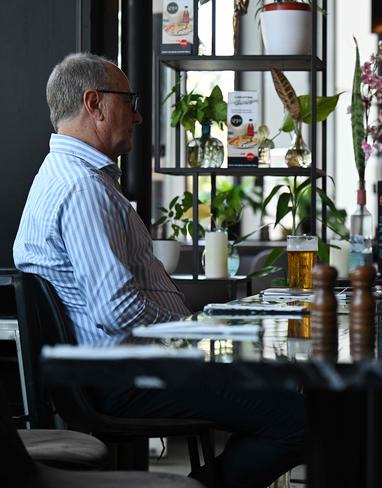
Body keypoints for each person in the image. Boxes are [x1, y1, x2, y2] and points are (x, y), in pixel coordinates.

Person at [13, 52, 304, 488]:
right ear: (94, 104)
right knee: (299, 419)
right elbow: (117, 309)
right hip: (124, 378)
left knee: (280, 392)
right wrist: (198, 332)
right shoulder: (82, 188)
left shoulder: (63, 175)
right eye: (128, 101)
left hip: (116, 370)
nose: (138, 115)